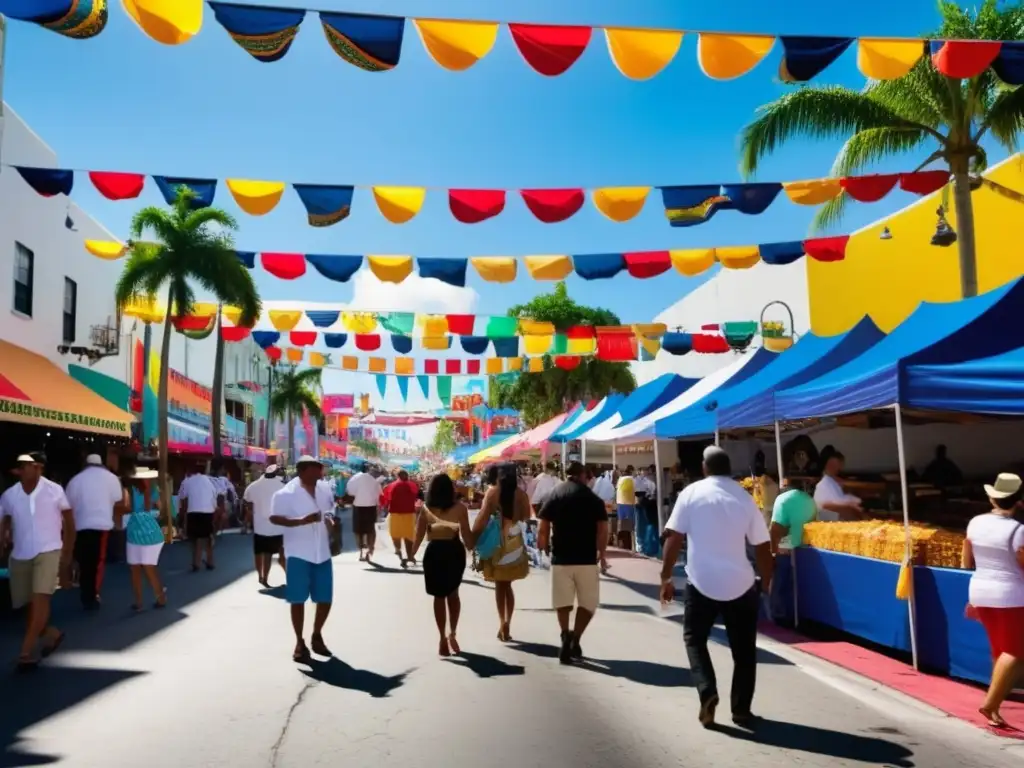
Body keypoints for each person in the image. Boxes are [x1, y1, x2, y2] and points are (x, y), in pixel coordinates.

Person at [660, 446, 773, 729]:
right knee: (744, 651)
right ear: (729, 468)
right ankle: (741, 711)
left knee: (695, 640)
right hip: (741, 583)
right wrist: (766, 580)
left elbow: (673, 539)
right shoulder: (745, 498)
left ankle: (707, 689)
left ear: (704, 467)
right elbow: (762, 546)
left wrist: (665, 577)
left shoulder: (691, 493)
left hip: (701, 582)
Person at [0, 453, 75, 670]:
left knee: (40, 599)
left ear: (38, 468)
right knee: (27, 607)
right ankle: (53, 634)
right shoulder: (9, 496)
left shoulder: (54, 491)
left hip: (49, 550)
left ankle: (25, 651)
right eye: (20, 467)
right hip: (21, 554)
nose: (22, 470)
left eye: (28, 466)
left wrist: (68, 553)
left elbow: (69, 522)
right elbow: (4, 520)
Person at [962, 472, 1024, 729]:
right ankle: (991, 703)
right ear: (1019, 501)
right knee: (1017, 651)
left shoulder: (975, 522)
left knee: (1000, 648)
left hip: (979, 588)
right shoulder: (1018, 530)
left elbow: (966, 559)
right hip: (1010, 593)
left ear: (993, 498)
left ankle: (995, 701)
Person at [270, 455, 339, 663]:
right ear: (303, 471)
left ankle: (317, 634)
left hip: (322, 552)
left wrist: (330, 520)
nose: (321, 472)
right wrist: (300, 521)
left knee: (325, 598)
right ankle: (299, 641)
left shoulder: (324, 489)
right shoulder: (285, 494)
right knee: (297, 599)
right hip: (298, 553)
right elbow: (274, 517)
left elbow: (330, 510)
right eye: (316, 468)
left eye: (321, 468)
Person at [538, 462, 609, 664]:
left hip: (561, 557)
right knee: (588, 603)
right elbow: (603, 529)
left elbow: (543, 525)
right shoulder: (592, 498)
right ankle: (575, 636)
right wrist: (601, 553)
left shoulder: (555, 494)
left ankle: (565, 634)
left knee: (563, 602)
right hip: (586, 558)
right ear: (583, 475)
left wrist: (543, 545)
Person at [411, 473, 474, 657]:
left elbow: (418, 535)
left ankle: (441, 638)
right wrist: (475, 547)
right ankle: (452, 633)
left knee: (438, 597)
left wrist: (410, 555)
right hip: (454, 551)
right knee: (453, 595)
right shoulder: (460, 508)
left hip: (434, 552)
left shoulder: (426, 509)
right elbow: (467, 536)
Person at [472, 462, 530, 641]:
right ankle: (508, 623)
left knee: (499, 586)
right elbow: (526, 516)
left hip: (496, 541)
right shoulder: (521, 495)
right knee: (508, 585)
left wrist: (473, 538)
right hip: (514, 541)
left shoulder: (492, 492)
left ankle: (502, 620)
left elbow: (482, 517)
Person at [65, 453, 123, 610]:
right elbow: (118, 499)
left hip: (81, 526)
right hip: (102, 525)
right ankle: (92, 595)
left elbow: (68, 504)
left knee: (85, 561)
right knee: (97, 562)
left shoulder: (75, 480)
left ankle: (86, 593)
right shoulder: (111, 478)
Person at [118, 465, 167, 612]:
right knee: (146, 567)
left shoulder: (129, 491)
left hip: (135, 532)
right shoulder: (152, 491)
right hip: (149, 532)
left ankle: (142, 601)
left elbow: (125, 507)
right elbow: (161, 510)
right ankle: (157, 597)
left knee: (138, 568)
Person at [768, 486, 817, 626]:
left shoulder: (782, 500)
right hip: (807, 546)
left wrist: (773, 550)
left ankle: (779, 615)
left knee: (780, 581)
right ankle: (797, 614)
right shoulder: (808, 499)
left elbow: (776, 528)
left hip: (786, 547)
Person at [244, 464, 287, 587]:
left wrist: (248, 520)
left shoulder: (253, 486)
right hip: (279, 527)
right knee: (283, 554)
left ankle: (262, 577)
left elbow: (247, 504)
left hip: (260, 528)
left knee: (263, 553)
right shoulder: (283, 486)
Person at [178, 463, 222, 571]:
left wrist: (182, 516)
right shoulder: (211, 482)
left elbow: (182, 498)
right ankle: (210, 561)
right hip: (207, 512)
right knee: (207, 537)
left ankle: (196, 562)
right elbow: (215, 498)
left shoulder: (187, 481)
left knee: (195, 538)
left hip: (193, 512)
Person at [383, 470, 420, 568]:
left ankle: (400, 553)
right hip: (409, 513)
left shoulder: (391, 486)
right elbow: (416, 493)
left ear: (397, 476)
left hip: (395, 514)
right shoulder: (412, 485)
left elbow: (386, 498)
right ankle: (409, 555)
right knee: (408, 536)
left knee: (396, 534)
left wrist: (385, 505)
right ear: (407, 476)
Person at [813, 450, 864, 522]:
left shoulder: (833, 481)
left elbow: (839, 499)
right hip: (823, 516)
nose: (838, 468)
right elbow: (825, 506)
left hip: (828, 515)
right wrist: (852, 503)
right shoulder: (824, 484)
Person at [346, 463, 382, 563]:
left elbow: (350, 491)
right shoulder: (374, 479)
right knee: (371, 530)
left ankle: (361, 551)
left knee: (358, 531)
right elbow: (379, 494)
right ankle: (370, 551)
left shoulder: (355, 478)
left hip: (358, 506)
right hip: (371, 507)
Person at [615, 466, 636, 550]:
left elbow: (616, 490)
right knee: (630, 528)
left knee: (622, 526)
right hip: (629, 504)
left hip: (620, 504)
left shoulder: (620, 479)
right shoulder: (631, 479)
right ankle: (630, 546)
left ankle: (621, 544)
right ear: (631, 471)